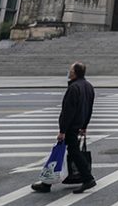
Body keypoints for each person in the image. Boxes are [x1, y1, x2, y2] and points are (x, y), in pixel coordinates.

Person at [32, 61, 96, 194]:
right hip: (78, 125)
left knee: (66, 153)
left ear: (74, 73)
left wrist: (62, 131)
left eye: (70, 70)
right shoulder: (89, 86)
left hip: (71, 127)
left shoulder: (74, 88)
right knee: (65, 153)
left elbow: (68, 111)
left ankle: (88, 178)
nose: (69, 72)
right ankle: (47, 183)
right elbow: (89, 109)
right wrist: (84, 126)